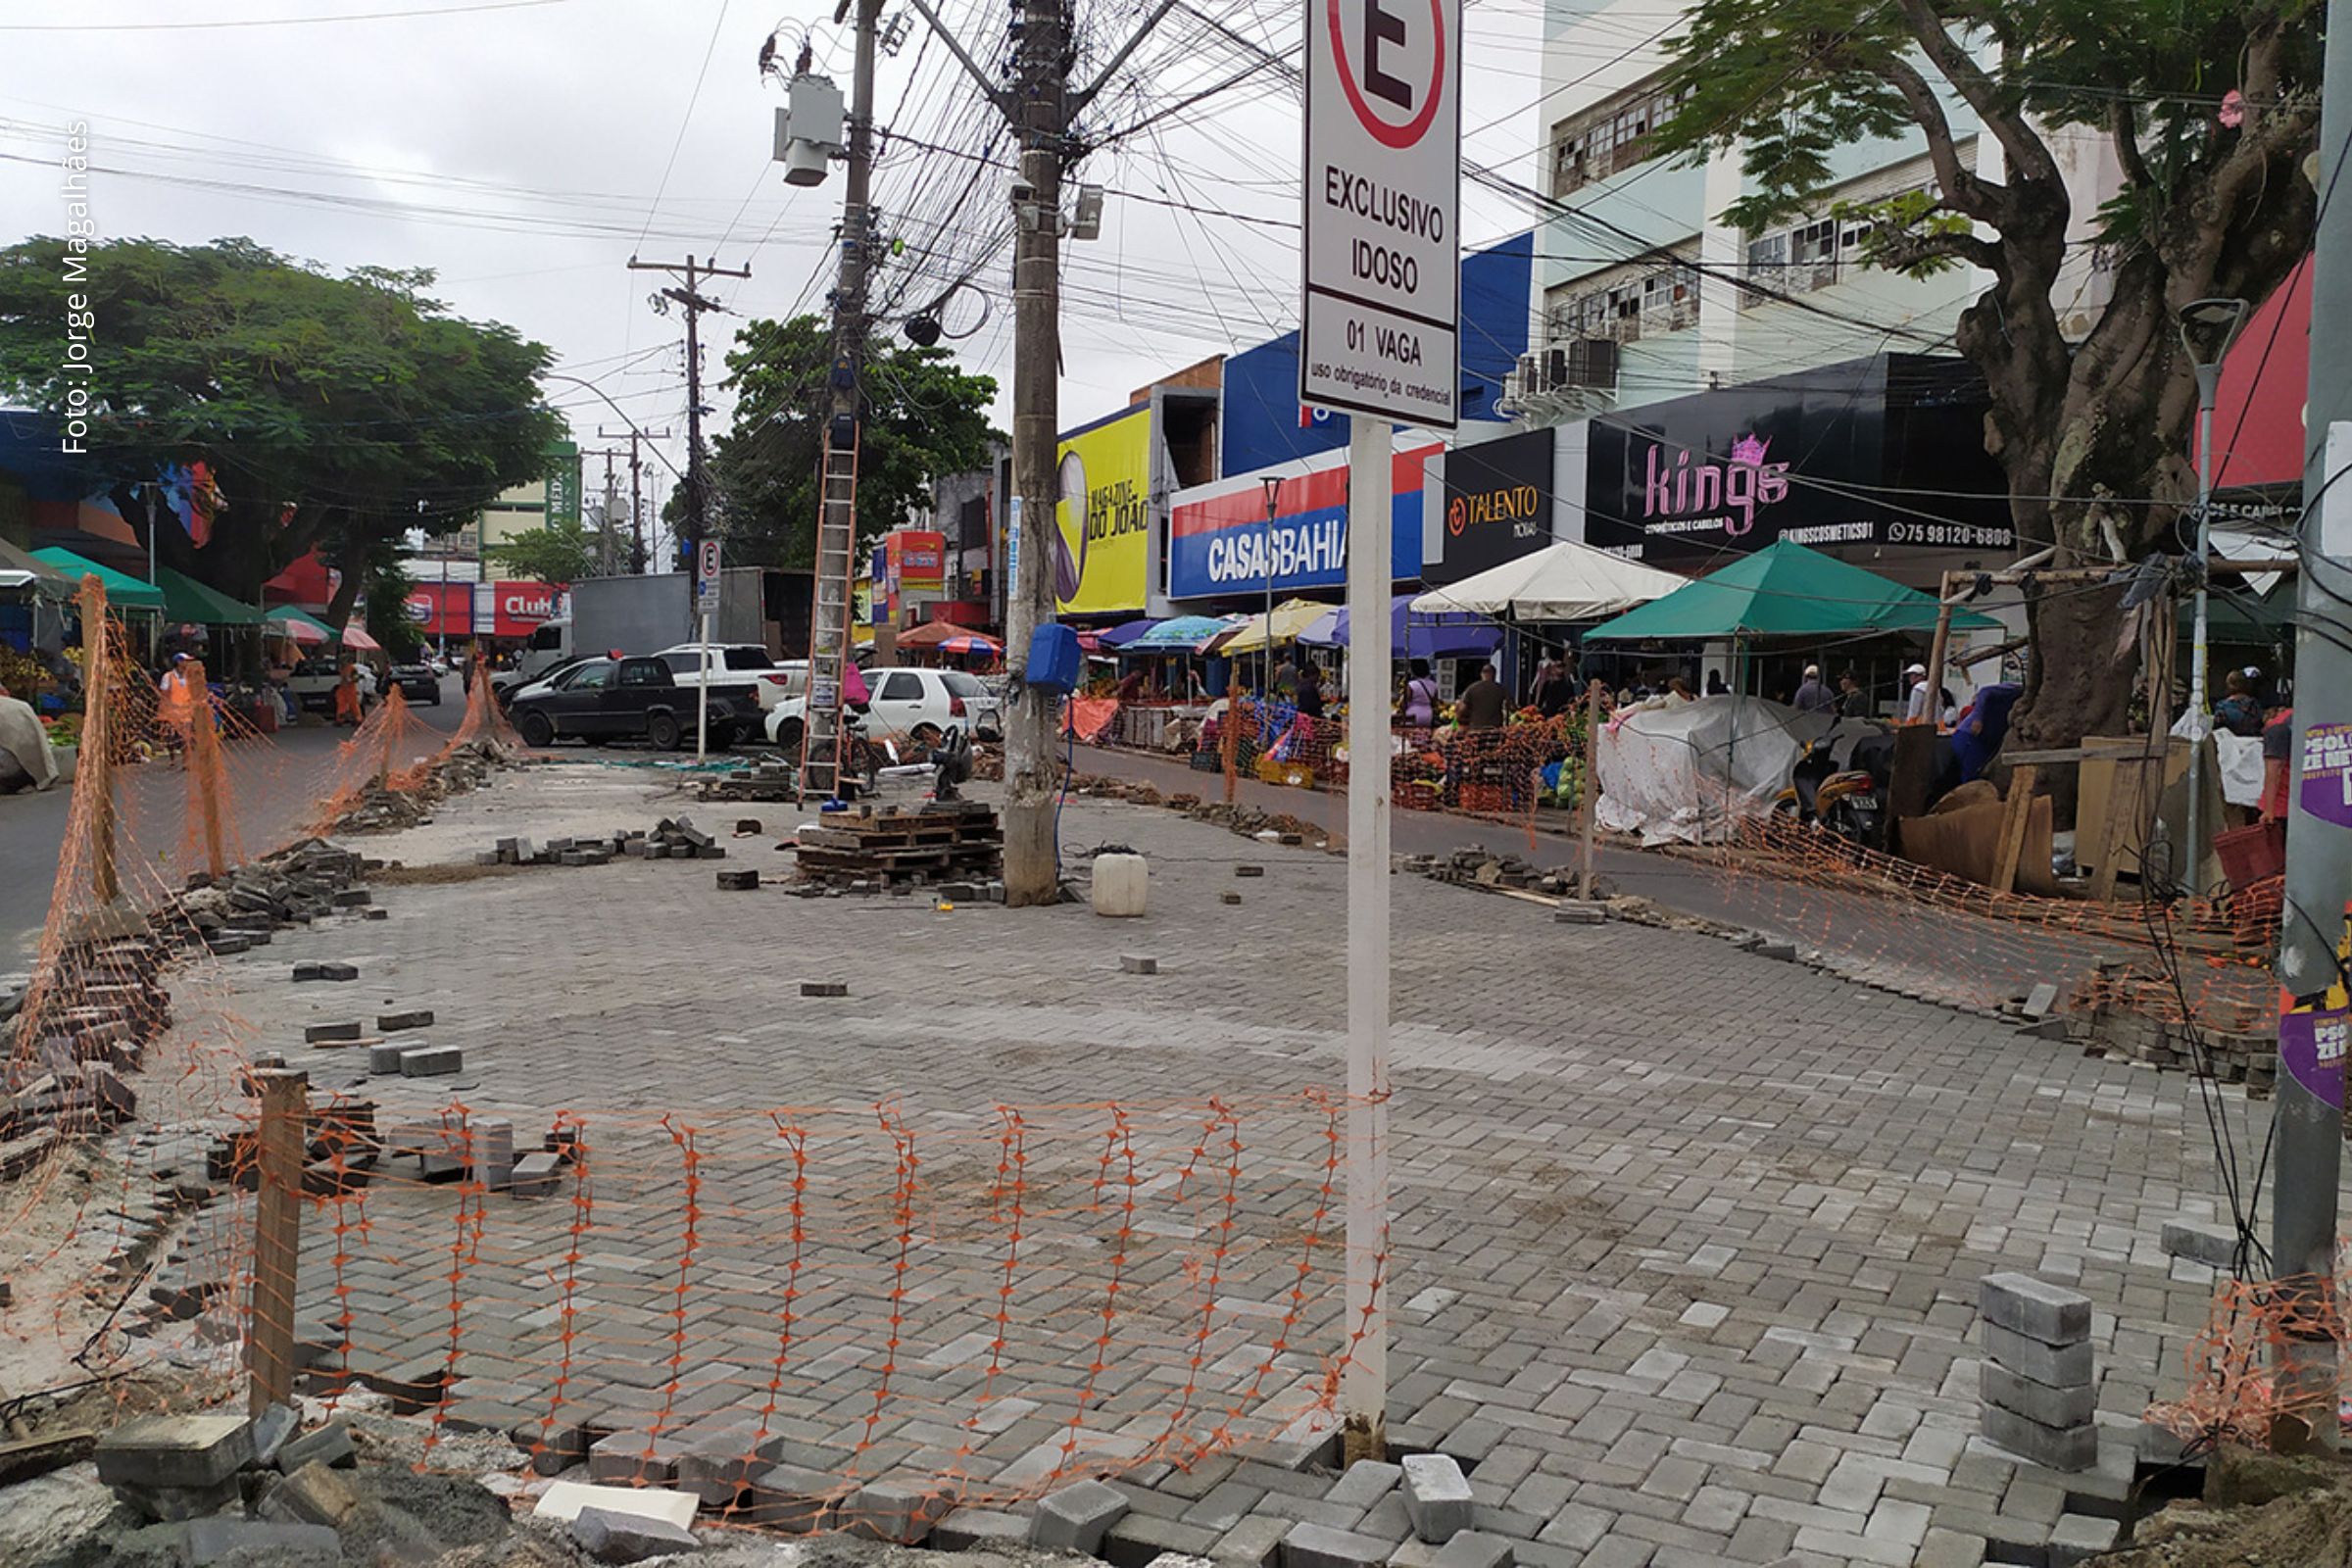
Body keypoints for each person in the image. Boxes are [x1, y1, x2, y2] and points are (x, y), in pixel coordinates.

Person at [157, 652, 198, 758]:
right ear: (179, 662)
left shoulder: (190, 677)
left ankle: (186, 760)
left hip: (186, 713)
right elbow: (164, 695)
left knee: (186, 738)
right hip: (171, 713)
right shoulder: (168, 677)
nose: (188, 664)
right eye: (186, 661)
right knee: (170, 739)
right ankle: (172, 758)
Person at [2261, 705, 2294, 822]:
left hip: (2282, 807)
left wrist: (2269, 810)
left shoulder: (2279, 727)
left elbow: (2273, 770)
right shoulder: (2284, 725)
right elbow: (2273, 770)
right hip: (2284, 808)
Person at [2214, 667, 2266, 738]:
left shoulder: (2222, 707)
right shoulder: (2255, 705)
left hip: (2230, 746)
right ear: (2246, 685)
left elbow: (2218, 731)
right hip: (2253, 744)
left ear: (2228, 686)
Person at [1455, 662, 1508, 729]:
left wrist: (1463, 721)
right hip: (1495, 728)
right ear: (1494, 674)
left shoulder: (1472, 688)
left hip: (1476, 728)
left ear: (1482, 674)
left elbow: (1462, 710)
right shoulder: (1502, 689)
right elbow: (1510, 707)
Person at [1397, 657, 1440, 729]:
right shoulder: (1433, 684)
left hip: (1412, 715)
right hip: (1428, 715)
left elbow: (1404, 703)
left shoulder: (1412, 685)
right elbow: (1434, 703)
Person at [332, 661, 363, 727]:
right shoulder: (343, 669)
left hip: (350, 690)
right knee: (341, 704)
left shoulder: (352, 669)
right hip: (343, 689)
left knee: (353, 705)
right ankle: (340, 720)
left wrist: (350, 679)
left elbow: (356, 678)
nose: (342, 663)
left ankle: (358, 720)